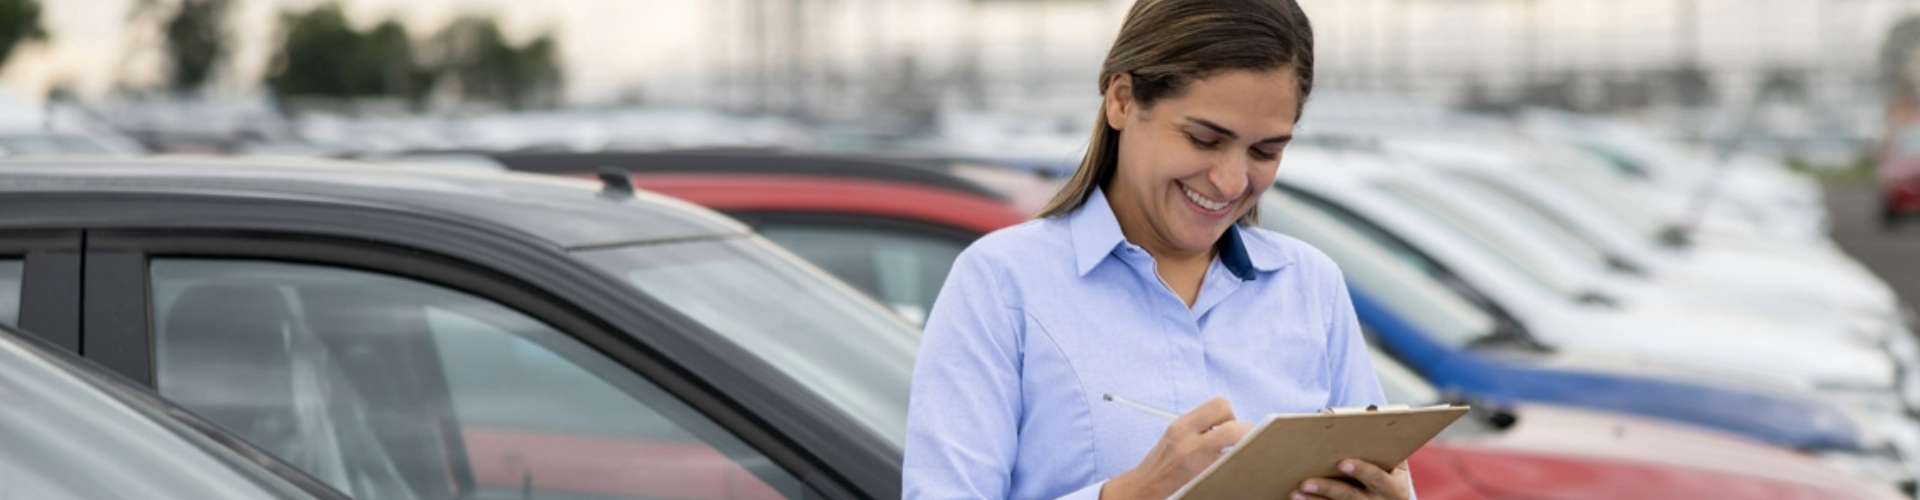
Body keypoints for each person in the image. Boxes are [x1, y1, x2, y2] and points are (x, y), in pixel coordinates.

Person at [902, 0, 1408, 499]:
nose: (1231, 182)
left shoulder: (1311, 286)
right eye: (1204, 139)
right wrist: (1129, 495)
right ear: (1122, 100)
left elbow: (1380, 478)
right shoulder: (1003, 284)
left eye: (1265, 151)